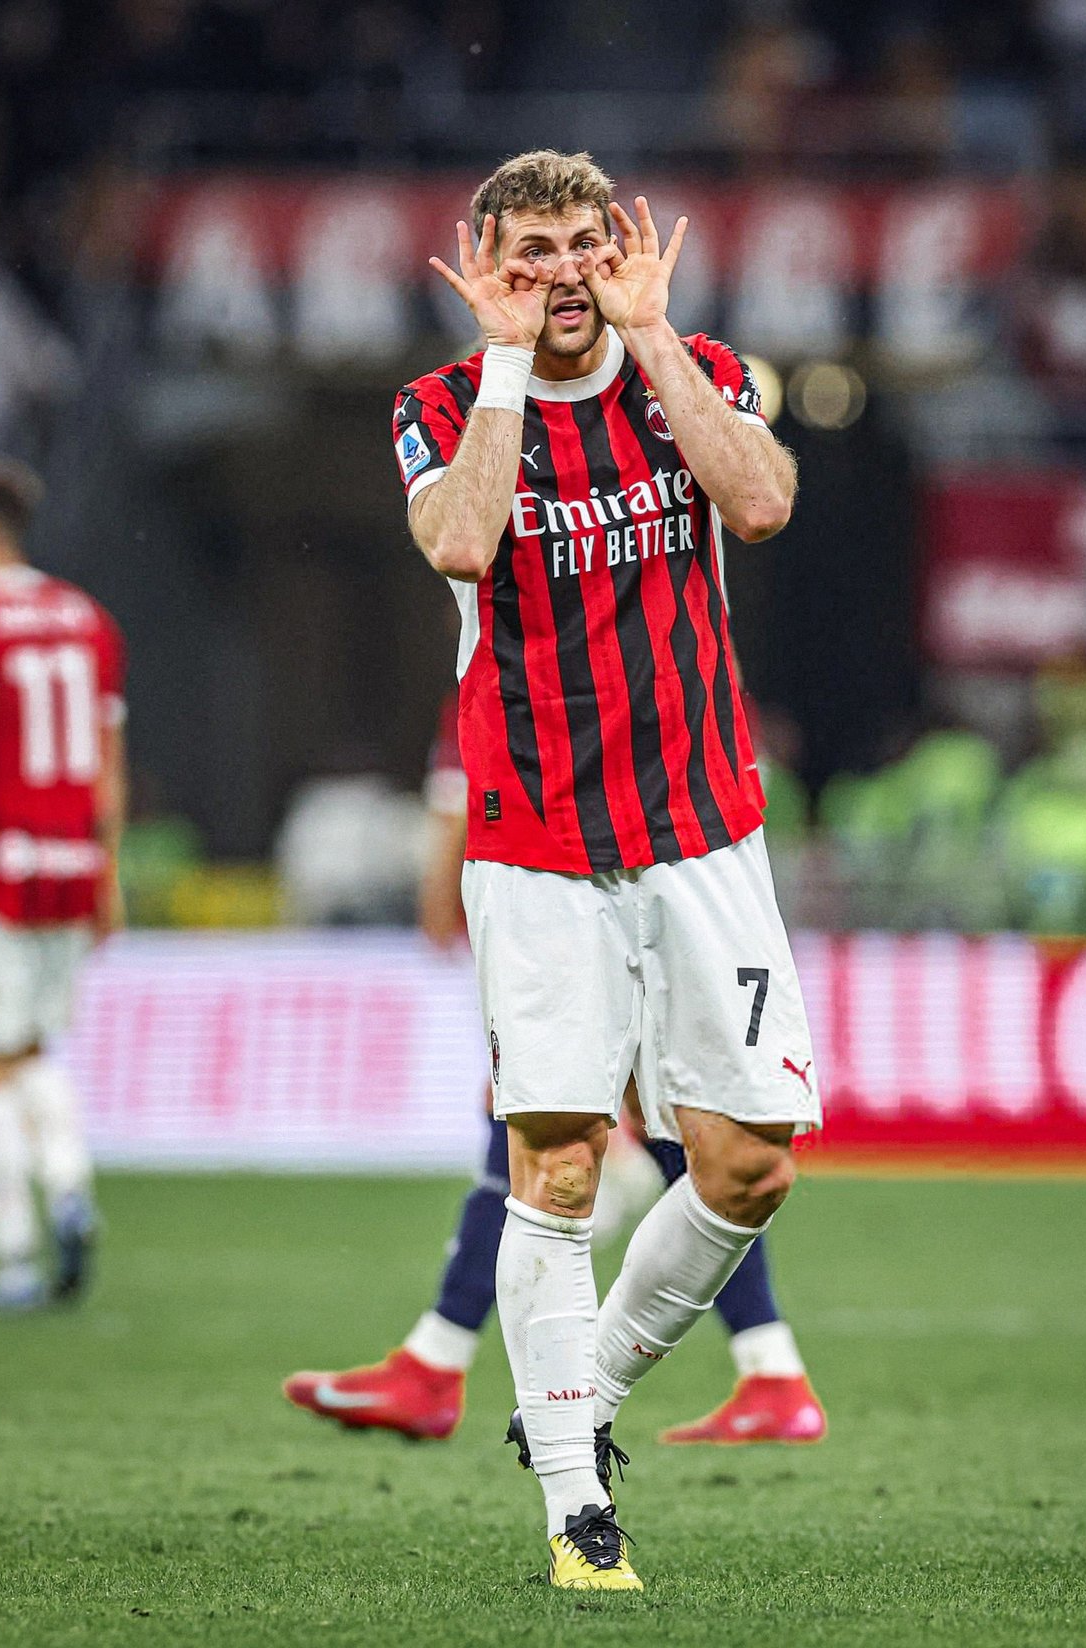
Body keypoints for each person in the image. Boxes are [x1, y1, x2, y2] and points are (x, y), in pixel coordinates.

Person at [387, 150, 822, 1591]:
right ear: (485, 262)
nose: (563, 270)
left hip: (702, 830)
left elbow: (761, 504)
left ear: (617, 249)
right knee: (561, 1161)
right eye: (531, 250)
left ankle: (578, 1396)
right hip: (538, 844)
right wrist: (510, 367)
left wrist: (651, 336)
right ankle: (580, 1512)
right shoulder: (441, 405)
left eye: (585, 242)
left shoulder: (693, 369)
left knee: (748, 1166)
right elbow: (461, 542)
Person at [283, 693, 825, 1447]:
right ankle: (768, 1367)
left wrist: (444, 905)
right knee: (678, 1130)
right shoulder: (672, 653)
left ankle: (445, 1365)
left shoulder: (510, 662)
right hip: (666, 875)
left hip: (579, 888)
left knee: (565, 1121)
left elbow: (461, 802)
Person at [0, 459, 126, 1315]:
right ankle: (68, 1186)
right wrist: (108, 873)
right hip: (71, 863)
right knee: (31, 1047)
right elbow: (108, 761)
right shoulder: (85, 616)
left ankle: (16, 1261)